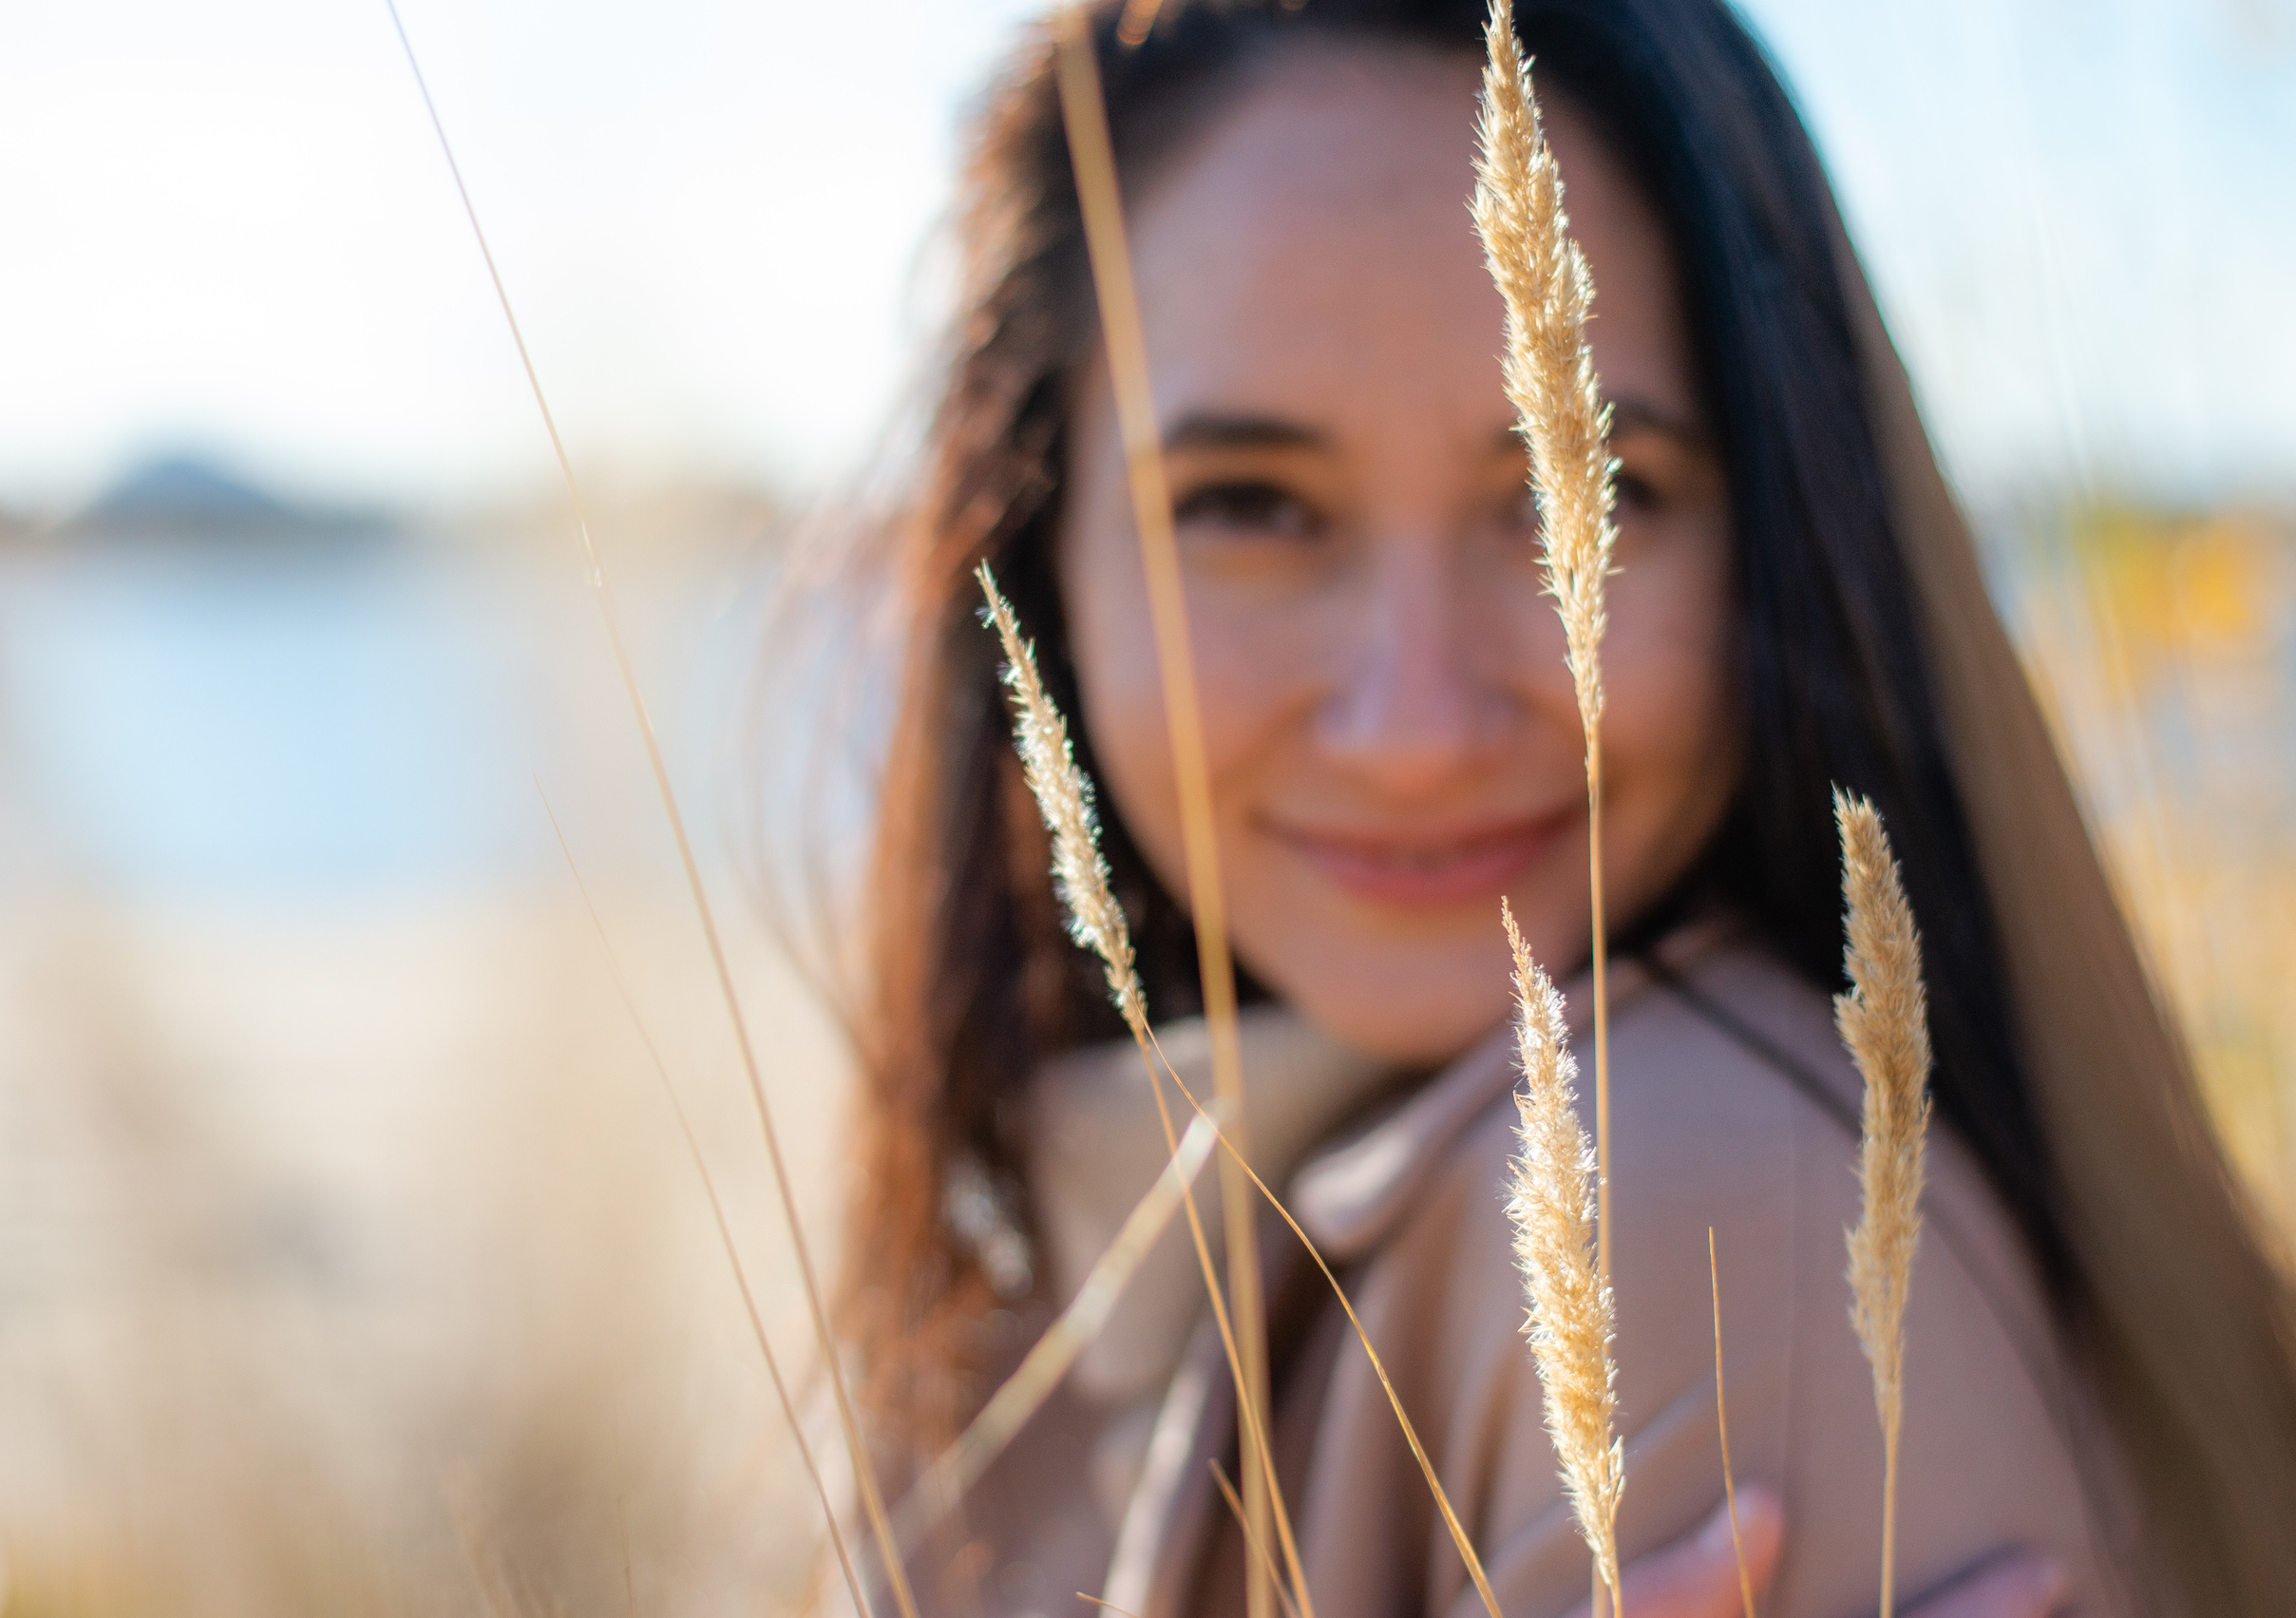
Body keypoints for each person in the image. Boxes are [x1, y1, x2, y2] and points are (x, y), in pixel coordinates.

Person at [825, 3, 2296, 1615]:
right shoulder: (1061, 1251)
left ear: (1782, 532)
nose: (1416, 726)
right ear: (1041, 552)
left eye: (1582, 495)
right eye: (1251, 505)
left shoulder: (1697, 1205)